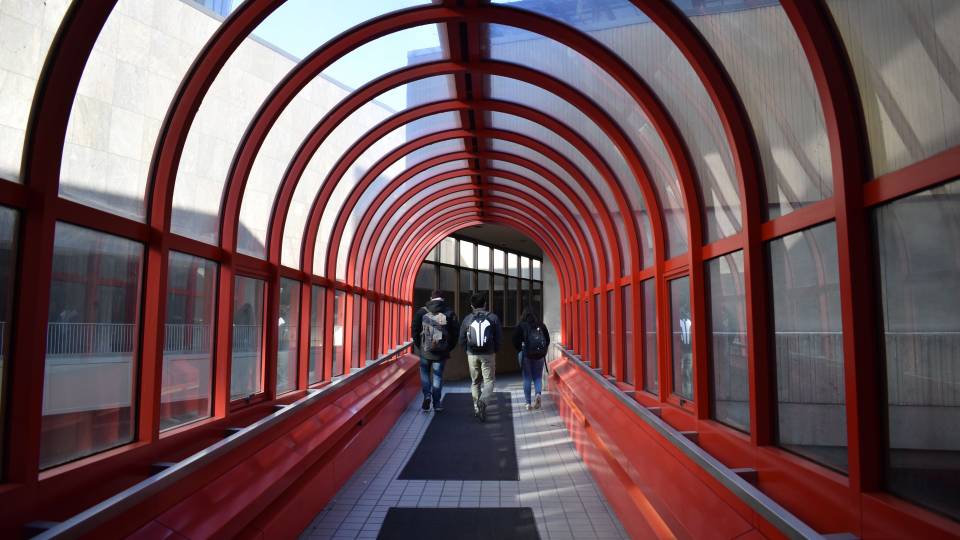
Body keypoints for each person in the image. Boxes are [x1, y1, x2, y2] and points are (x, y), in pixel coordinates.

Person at [411, 289, 458, 413]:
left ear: (431, 298)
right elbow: (455, 333)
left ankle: (427, 395)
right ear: (443, 299)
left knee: (425, 374)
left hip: (425, 351)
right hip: (441, 351)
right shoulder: (449, 312)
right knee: (437, 377)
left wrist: (419, 346)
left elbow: (415, 330)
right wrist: (448, 347)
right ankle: (436, 404)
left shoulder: (422, 312)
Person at [459, 292, 502, 422]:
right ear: (485, 304)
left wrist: (467, 350)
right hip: (488, 354)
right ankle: (483, 401)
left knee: (475, 382)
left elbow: (461, 338)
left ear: (472, 305)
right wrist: (495, 350)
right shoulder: (493, 318)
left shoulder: (467, 319)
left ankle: (477, 409)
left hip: (472, 354)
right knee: (489, 381)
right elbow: (499, 337)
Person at [513, 304, 550, 410]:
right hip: (539, 355)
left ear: (524, 314)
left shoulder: (521, 325)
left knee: (527, 378)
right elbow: (547, 340)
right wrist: (543, 351)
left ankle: (528, 403)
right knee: (538, 377)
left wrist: (520, 349)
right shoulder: (541, 325)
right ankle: (538, 394)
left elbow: (514, 340)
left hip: (526, 355)